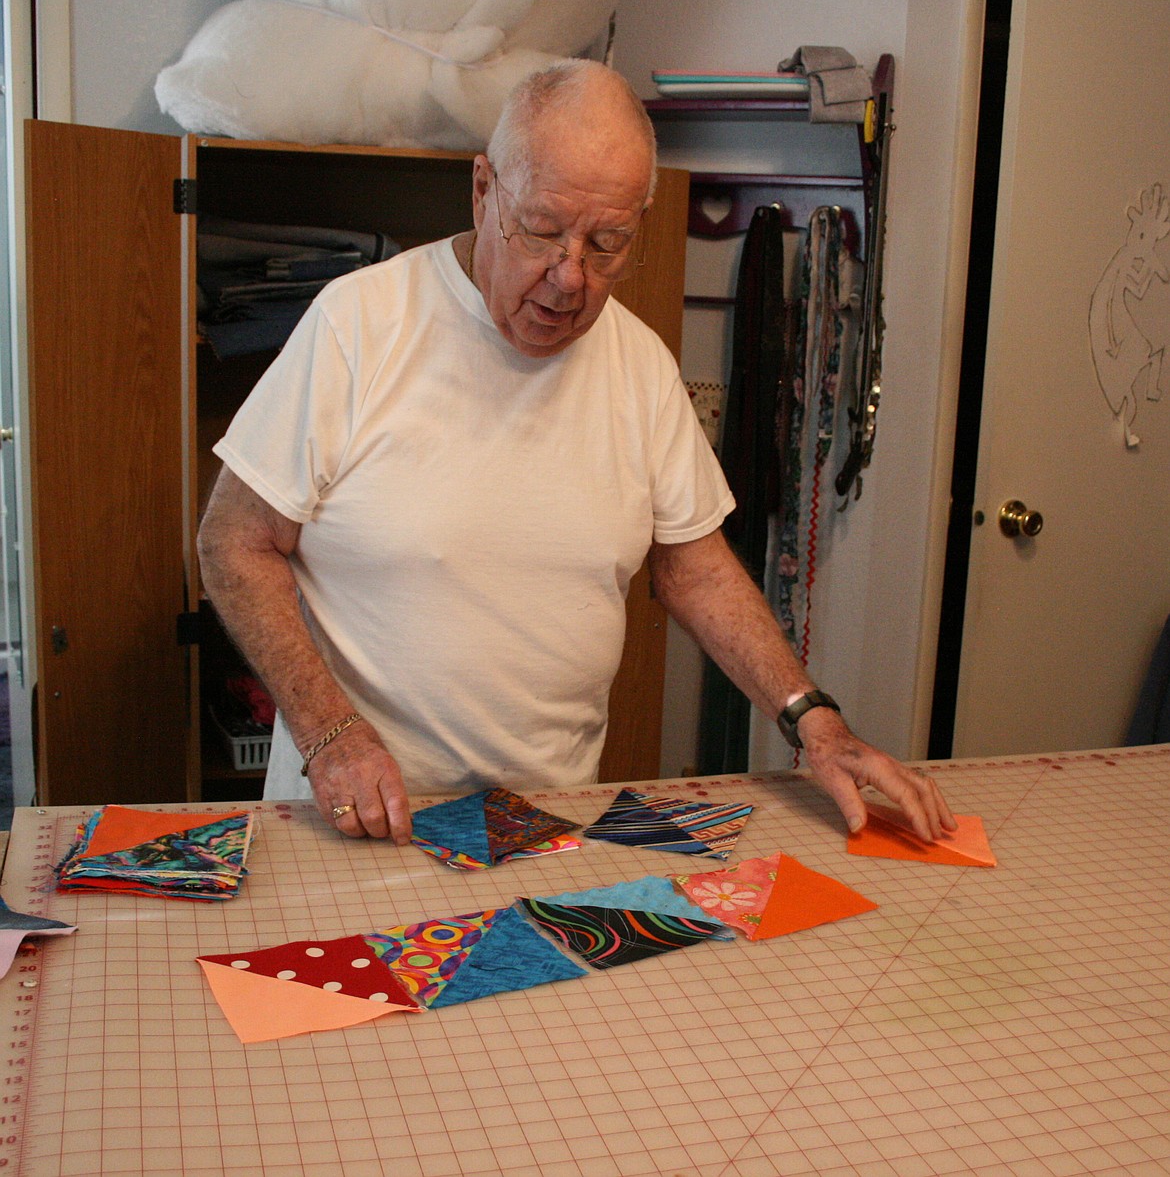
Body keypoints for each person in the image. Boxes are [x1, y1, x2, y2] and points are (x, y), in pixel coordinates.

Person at [198, 59, 954, 847]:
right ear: (484, 190)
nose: (570, 277)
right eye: (545, 230)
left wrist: (815, 721)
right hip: (354, 813)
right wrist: (328, 733)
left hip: (542, 827)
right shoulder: (359, 324)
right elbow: (234, 541)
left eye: (606, 242)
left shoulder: (640, 367)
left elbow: (691, 565)